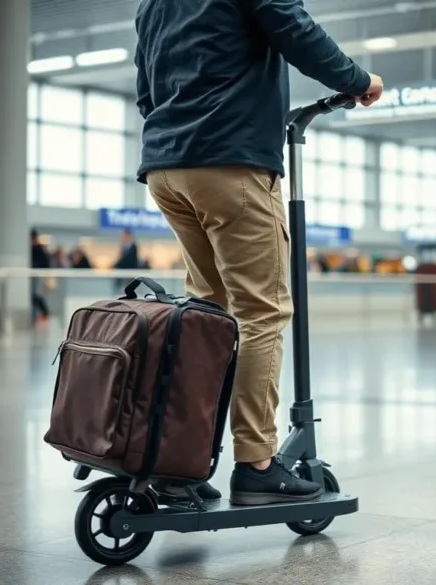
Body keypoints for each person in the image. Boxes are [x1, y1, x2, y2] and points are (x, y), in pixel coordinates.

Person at [135, 0, 383, 505]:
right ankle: (257, 463)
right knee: (261, 312)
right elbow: (296, 30)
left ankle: (178, 464)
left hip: (167, 167)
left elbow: (146, 90)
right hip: (232, 162)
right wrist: (359, 81)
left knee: (206, 315)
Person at [30, 229, 51, 323]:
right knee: (33, 296)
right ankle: (35, 315)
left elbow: (45, 263)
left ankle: (45, 312)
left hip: (38, 275)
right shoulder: (31, 249)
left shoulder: (39, 249)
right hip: (32, 276)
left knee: (36, 295)